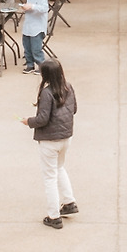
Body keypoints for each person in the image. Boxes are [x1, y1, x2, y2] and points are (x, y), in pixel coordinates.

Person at [20, 59, 78, 229]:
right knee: (59, 168)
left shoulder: (46, 93)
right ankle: (69, 202)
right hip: (66, 137)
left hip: (49, 141)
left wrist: (28, 121)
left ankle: (54, 216)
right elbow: (74, 109)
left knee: (49, 177)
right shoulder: (68, 87)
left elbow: (42, 119)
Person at [19, 0, 50, 74]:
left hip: (38, 28)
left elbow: (45, 8)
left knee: (36, 49)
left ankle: (41, 65)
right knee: (27, 47)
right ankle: (30, 65)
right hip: (28, 26)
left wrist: (32, 6)